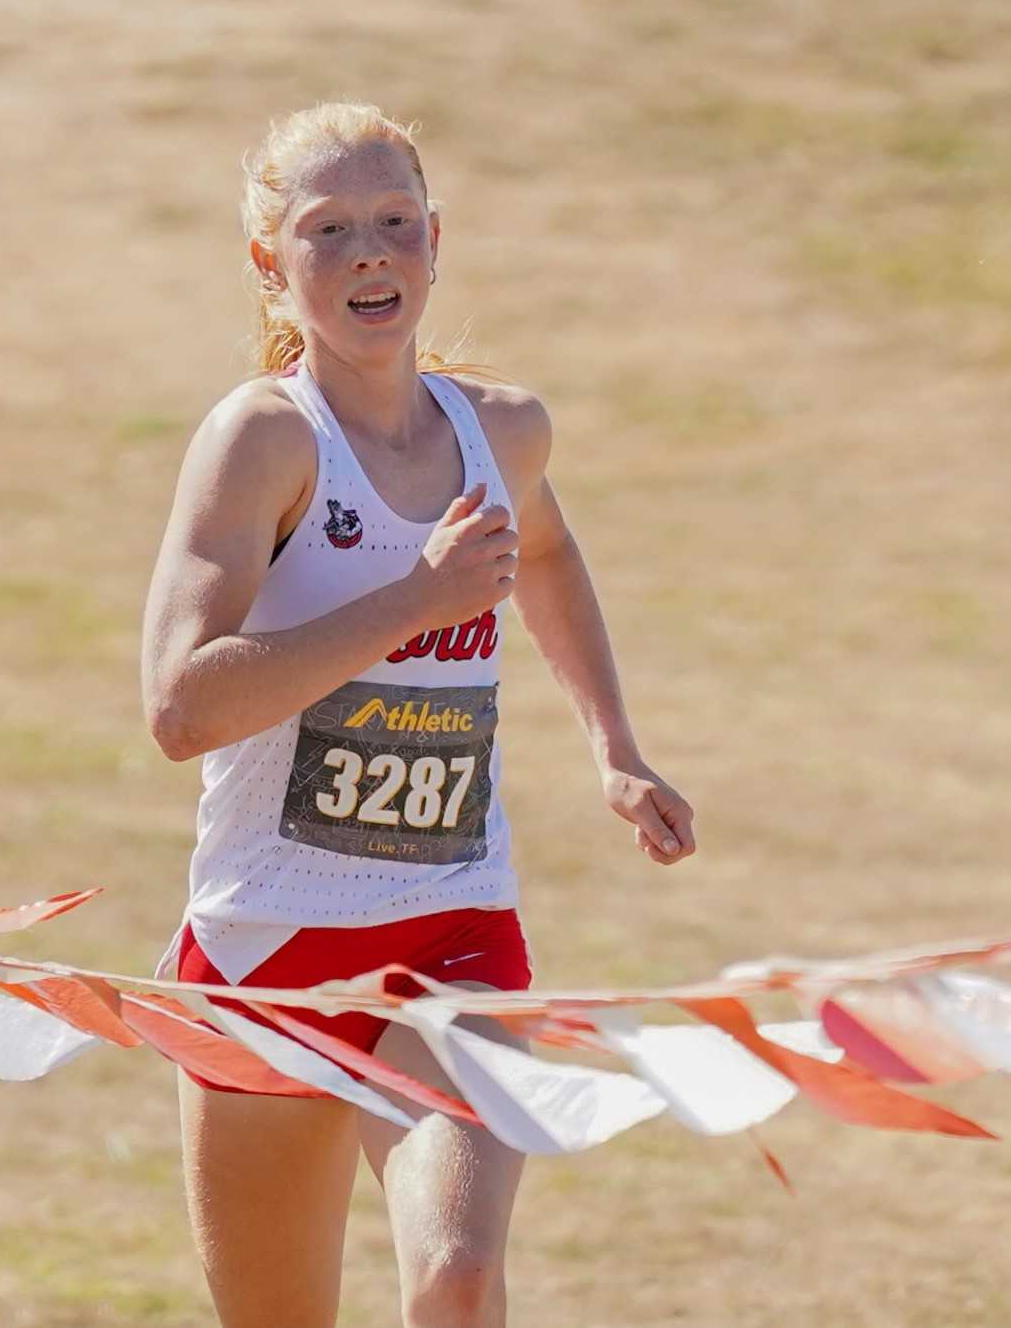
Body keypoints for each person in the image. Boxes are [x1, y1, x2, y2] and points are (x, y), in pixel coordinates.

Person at [139, 101, 696, 1328]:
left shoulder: (502, 431)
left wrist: (614, 747)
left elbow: (542, 554)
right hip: (267, 948)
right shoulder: (262, 440)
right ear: (271, 262)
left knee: (455, 1272)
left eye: (394, 222)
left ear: (436, 239)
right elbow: (179, 707)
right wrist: (415, 601)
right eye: (328, 229)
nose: (369, 254)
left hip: (452, 928)